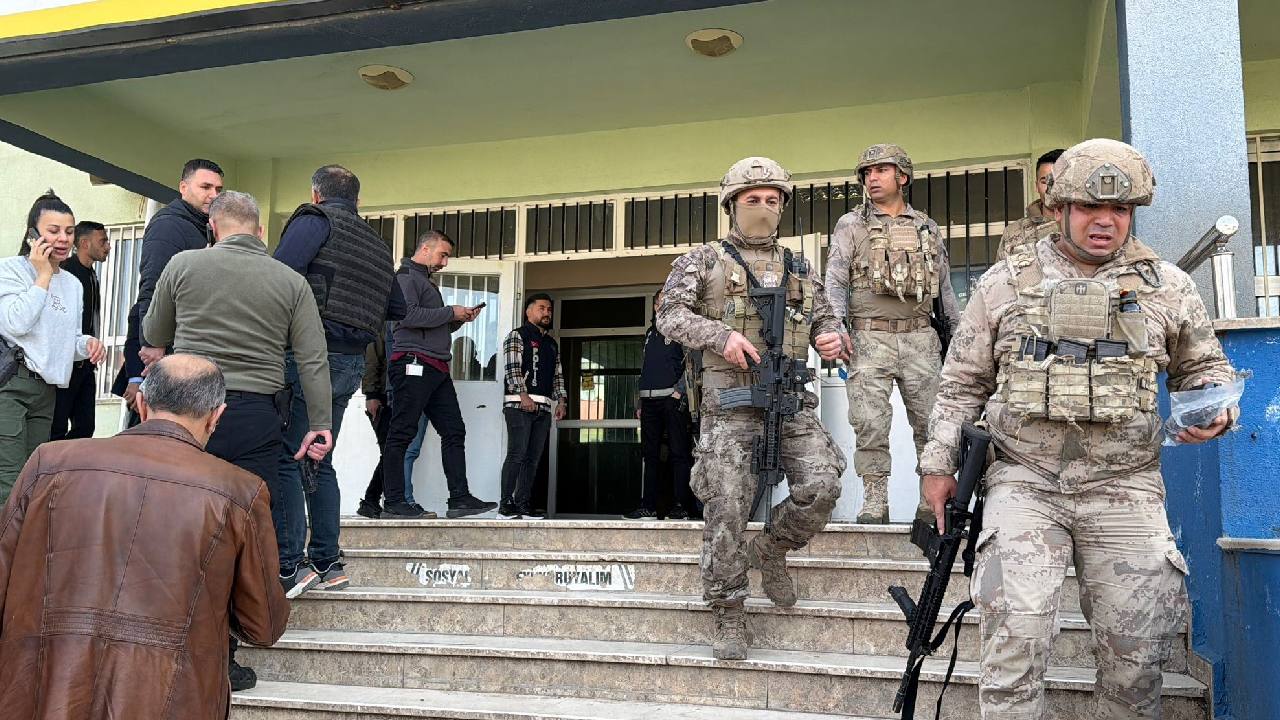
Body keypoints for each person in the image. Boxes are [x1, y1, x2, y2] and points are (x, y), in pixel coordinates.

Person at [920, 139, 1237, 719]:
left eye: (1119, 211)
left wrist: (1214, 411)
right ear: (1058, 209)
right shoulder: (1003, 283)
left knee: (1137, 656)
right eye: (1091, 209)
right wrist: (938, 466)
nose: (1105, 222)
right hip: (1025, 478)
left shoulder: (1168, 285)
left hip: (1127, 485)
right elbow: (962, 381)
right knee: (1014, 640)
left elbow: (1203, 368)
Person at [0, 354, 290, 719]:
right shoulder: (239, 492)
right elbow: (263, 625)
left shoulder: (49, 463)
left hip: (44, 696)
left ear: (141, 403)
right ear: (217, 416)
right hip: (170, 700)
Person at [657, 157, 848, 660]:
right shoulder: (702, 260)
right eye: (752, 199)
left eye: (772, 199)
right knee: (728, 507)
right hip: (731, 403)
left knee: (822, 485)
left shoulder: (801, 267)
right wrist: (721, 335)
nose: (763, 208)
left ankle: (773, 549)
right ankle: (728, 611)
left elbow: (827, 318)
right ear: (731, 206)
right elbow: (669, 315)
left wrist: (831, 337)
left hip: (788, 401)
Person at [142, 190, 331, 690]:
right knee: (237, 533)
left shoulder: (184, 265)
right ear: (261, 232)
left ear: (214, 227)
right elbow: (312, 358)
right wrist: (321, 422)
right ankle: (222, 656)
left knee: (173, 525)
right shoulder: (289, 280)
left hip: (185, 406)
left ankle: (160, 643)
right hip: (253, 415)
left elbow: (154, 330)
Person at [272, 165, 401, 597]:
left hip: (308, 356)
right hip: (349, 363)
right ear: (358, 200)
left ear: (316, 193)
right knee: (318, 457)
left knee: (289, 455)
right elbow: (395, 306)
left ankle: (293, 564)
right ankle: (329, 562)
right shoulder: (378, 245)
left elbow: (278, 275)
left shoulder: (314, 221)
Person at [824, 143, 961, 524]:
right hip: (868, 339)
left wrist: (959, 341)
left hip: (921, 337)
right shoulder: (850, 225)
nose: (872, 178)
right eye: (866, 172)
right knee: (869, 425)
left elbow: (945, 289)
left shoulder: (927, 227)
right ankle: (874, 501)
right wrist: (836, 328)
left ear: (902, 176)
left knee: (931, 425)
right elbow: (834, 282)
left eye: (881, 170)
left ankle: (927, 503)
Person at [380, 229, 497, 519]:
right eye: (443, 254)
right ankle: (394, 502)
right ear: (425, 248)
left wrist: (458, 320)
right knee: (401, 433)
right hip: (413, 363)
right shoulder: (406, 276)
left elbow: (428, 324)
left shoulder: (424, 281)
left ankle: (459, 498)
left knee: (454, 430)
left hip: (436, 367)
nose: (445, 262)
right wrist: (449, 312)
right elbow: (407, 316)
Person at [0, 192, 105, 502]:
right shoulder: (11, 270)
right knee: (9, 478)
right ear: (33, 233)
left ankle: (21, 547)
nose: (63, 239)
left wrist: (87, 344)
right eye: (53, 230)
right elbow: (16, 323)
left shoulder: (72, 284)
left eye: (69, 231)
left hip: (47, 391)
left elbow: (64, 341)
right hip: (12, 384)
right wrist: (43, 275)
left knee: (33, 480)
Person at [113, 158, 224, 425]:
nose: (213, 195)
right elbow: (152, 286)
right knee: (154, 430)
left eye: (219, 189)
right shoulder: (170, 225)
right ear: (183, 187)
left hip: (182, 347)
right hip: (165, 350)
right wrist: (152, 343)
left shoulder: (202, 227)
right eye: (206, 186)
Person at [625, 289, 696, 520]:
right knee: (650, 455)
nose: (663, 306)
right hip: (649, 402)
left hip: (672, 400)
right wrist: (640, 401)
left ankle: (680, 506)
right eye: (660, 302)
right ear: (655, 306)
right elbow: (645, 368)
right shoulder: (649, 333)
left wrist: (680, 391)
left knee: (679, 453)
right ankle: (648, 506)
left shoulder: (682, 330)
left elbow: (692, 363)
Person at [498, 292, 567, 519]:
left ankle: (523, 504)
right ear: (528, 311)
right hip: (519, 406)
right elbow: (512, 369)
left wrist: (561, 400)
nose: (547, 312)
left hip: (544, 408)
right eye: (541, 308)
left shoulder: (551, 343)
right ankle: (506, 505)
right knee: (516, 454)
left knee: (532, 459)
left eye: (549, 309)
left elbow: (558, 375)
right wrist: (523, 395)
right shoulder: (517, 336)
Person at [359, 323, 436, 519]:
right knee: (394, 451)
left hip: (404, 391)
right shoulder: (383, 323)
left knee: (391, 452)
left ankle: (371, 500)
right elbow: (372, 359)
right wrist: (372, 394)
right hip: (387, 396)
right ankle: (398, 501)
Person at [50, 220, 109, 441]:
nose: (108, 246)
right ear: (84, 243)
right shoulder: (66, 272)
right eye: (102, 241)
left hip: (86, 363)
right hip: (66, 364)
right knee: (56, 427)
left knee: (85, 427)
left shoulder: (91, 275)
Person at [996, 148, 1065, 260]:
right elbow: (1001, 275)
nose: (1051, 188)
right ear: (1037, 186)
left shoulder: (1086, 225)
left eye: (1058, 181)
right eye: (1044, 181)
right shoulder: (1013, 232)